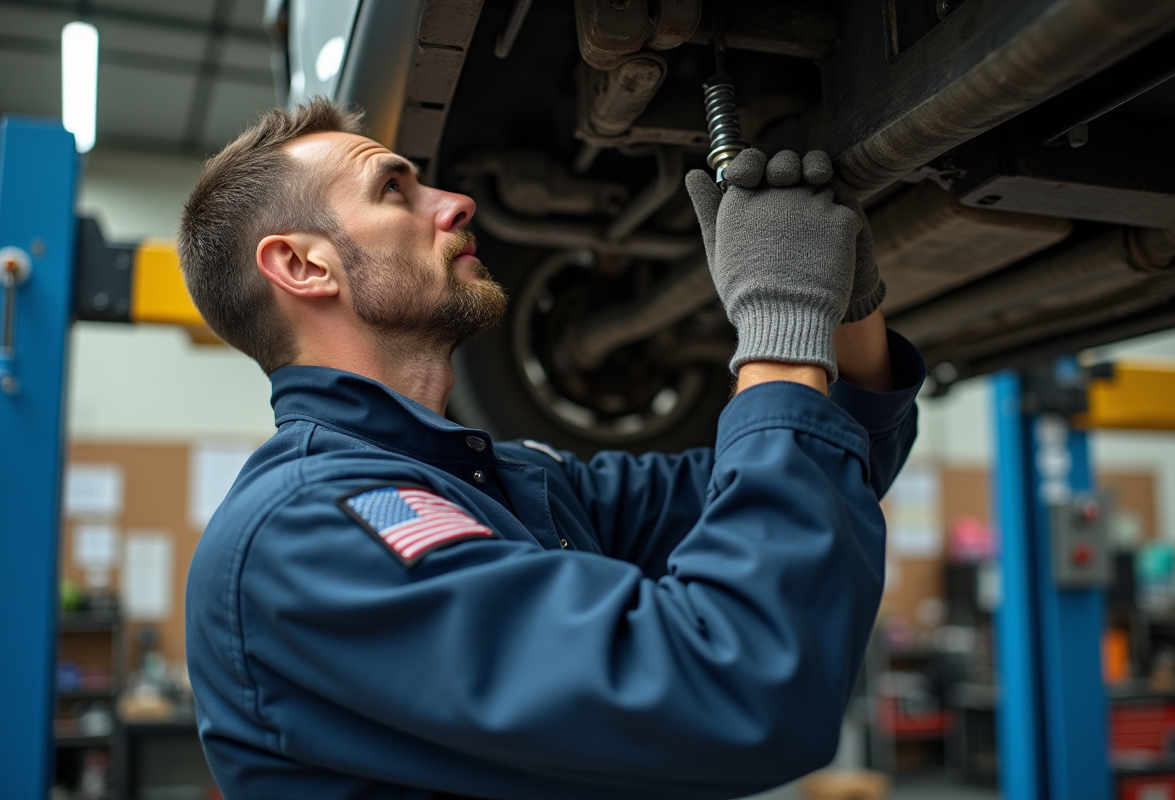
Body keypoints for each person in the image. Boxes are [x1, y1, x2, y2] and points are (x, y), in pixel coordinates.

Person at [181, 96, 924, 800]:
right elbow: (744, 686)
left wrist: (843, 308)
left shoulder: (510, 482)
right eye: (395, 191)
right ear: (303, 266)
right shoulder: (309, 531)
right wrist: (782, 318)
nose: (455, 202)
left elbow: (816, 487)